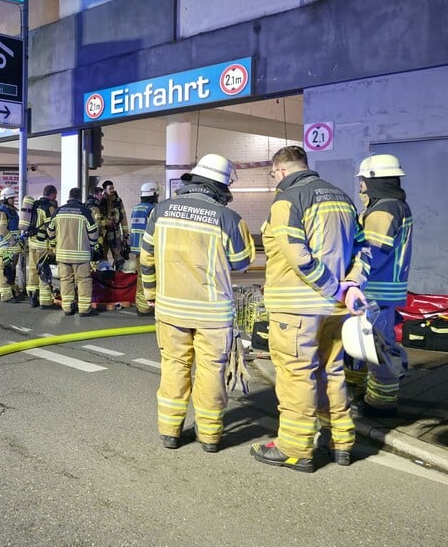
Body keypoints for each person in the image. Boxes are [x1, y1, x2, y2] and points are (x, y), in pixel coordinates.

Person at [250, 145, 366, 472]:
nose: (274, 180)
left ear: (282, 171)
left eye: (273, 174)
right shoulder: (342, 197)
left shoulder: (288, 200)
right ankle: (340, 440)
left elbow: (297, 255)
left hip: (297, 307)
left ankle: (295, 447)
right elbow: (363, 249)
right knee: (331, 371)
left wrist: (330, 288)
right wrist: (350, 286)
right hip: (335, 309)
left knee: (296, 375)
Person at [139, 154, 255, 453]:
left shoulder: (160, 210)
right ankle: (210, 436)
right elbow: (242, 262)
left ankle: (170, 432)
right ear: (222, 185)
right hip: (212, 313)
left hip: (170, 308)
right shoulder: (228, 218)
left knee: (174, 366)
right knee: (211, 371)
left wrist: (151, 294)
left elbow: (147, 258)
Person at [344, 154, 413, 418]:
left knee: (377, 346)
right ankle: (359, 390)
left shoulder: (384, 210)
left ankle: (381, 403)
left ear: (373, 180)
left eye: (362, 180)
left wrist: (352, 281)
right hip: (385, 288)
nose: (360, 185)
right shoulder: (396, 205)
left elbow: (370, 252)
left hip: (375, 289)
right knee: (364, 344)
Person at [47, 187, 99, 317]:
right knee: (83, 281)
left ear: (69, 197)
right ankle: (84, 309)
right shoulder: (85, 212)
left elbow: (50, 231)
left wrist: (55, 243)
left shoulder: (58, 211)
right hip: (81, 255)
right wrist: (92, 246)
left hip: (62, 254)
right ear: (80, 198)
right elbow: (93, 233)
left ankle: (68, 308)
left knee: (65, 280)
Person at [24, 184, 58, 309]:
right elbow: (51, 227)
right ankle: (45, 301)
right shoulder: (49, 207)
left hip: (32, 242)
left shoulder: (35, 204)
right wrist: (54, 243)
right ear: (52, 194)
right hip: (43, 244)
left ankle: (32, 296)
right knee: (43, 270)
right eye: (55, 195)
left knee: (33, 269)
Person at [129, 181, 160, 315]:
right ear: (154, 195)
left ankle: (141, 305)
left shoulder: (136, 208)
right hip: (148, 250)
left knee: (141, 277)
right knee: (150, 278)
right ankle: (146, 307)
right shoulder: (152, 210)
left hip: (137, 250)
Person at [0, 187, 23, 303]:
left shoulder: (11, 210)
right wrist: (12, 240)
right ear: (6, 198)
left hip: (13, 246)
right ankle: (6, 295)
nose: (14, 200)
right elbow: (2, 228)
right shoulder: (2, 211)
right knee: (5, 270)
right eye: (12, 198)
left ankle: (12, 291)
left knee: (11, 270)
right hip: (6, 246)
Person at [100, 180, 129, 267]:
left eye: (113, 188)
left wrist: (125, 234)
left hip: (115, 234)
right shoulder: (101, 201)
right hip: (104, 235)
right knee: (102, 257)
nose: (112, 190)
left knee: (119, 257)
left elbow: (123, 218)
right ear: (104, 190)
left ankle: (119, 275)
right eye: (110, 188)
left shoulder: (118, 201)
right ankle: (105, 275)